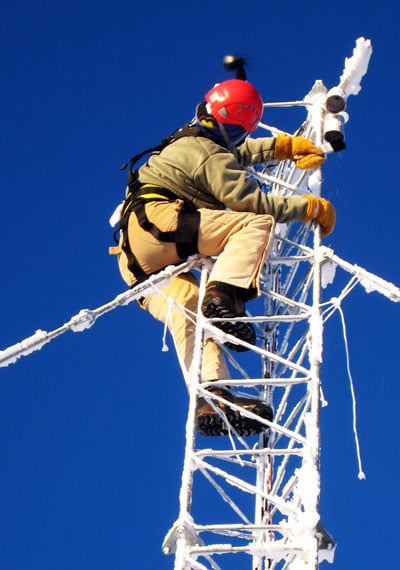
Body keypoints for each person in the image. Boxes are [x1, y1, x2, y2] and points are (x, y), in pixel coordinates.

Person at [110, 78, 336, 436]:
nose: (236, 139)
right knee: (253, 225)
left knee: (190, 317)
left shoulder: (190, 142)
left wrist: (280, 147)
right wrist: (307, 207)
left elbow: (234, 154)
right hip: (160, 225)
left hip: (135, 260)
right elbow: (251, 201)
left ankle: (212, 398)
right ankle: (225, 294)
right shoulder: (207, 153)